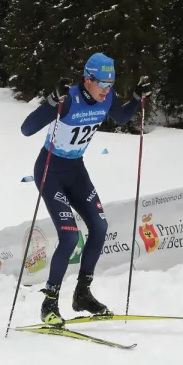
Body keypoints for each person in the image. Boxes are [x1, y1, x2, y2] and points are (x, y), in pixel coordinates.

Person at [19, 52, 150, 326]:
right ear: (87, 79)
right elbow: (26, 129)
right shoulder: (69, 100)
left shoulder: (108, 99)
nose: (107, 90)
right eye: (102, 83)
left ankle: (82, 294)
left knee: (100, 227)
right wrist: (51, 102)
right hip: (50, 171)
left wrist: (137, 99)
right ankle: (49, 303)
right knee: (69, 237)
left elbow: (123, 117)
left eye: (111, 84)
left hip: (76, 171)